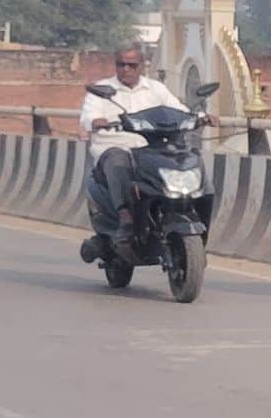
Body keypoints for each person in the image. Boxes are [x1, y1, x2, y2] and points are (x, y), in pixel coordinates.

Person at [78, 43, 190, 257]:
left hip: (149, 149)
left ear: (142, 66)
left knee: (180, 158)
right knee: (118, 159)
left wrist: (198, 118)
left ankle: (174, 210)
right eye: (121, 64)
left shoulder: (155, 89)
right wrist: (96, 121)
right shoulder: (103, 91)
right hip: (114, 147)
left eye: (131, 65)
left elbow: (178, 110)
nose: (126, 69)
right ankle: (125, 217)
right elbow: (87, 116)